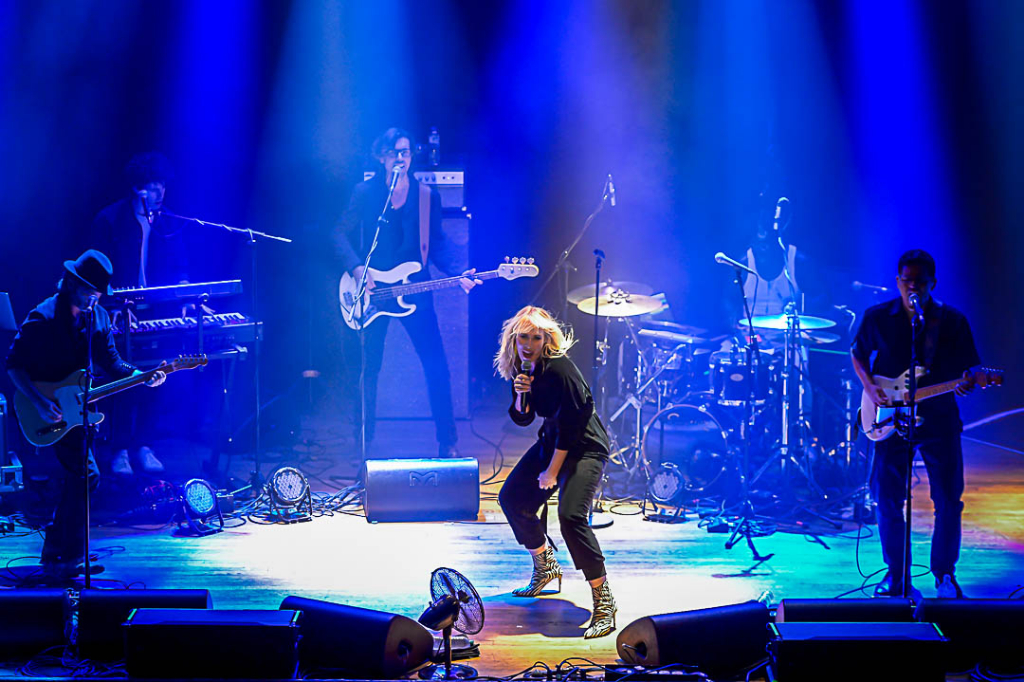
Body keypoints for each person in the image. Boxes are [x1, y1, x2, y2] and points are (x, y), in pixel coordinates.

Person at [5, 251, 165, 584]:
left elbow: (113, 362)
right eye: (88, 292)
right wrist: (39, 402)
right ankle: (60, 554)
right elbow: (14, 366)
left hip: (77, 410)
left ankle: (65, 555)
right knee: (87, 476)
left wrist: (142, 375)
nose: (93, 299)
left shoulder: (99, 317)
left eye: (98, 294)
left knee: (84, 478)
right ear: (71, 284)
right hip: (47, 409)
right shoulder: (44, 317)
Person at [334, 127, 481, 458]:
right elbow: (338, 233)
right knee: (368, 369)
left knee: (435, 364)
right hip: (371, 291)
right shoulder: (366, 192)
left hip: (415, 289)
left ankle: (448, 442)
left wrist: (458, 273)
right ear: (381, 157)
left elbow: (437, 244)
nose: (400, 159)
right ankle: (363, 443)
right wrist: (357, 269)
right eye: (393, 153)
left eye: (405, 152)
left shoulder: (427, 196)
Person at [851, 249, 980, 599]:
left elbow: (969, 368)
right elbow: (857, 353)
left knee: (948, 498)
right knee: (887, 498)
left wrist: (966, 382)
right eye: (906, 281)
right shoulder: (878, 316)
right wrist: (871, 388)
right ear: (898, 281)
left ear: (932, 283)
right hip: (892, 418)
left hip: (939, 417)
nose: (913, 288)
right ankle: (896, 574)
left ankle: (945, 574)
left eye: (920, 282)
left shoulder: (952, 321)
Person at [495, 306, 616, 639]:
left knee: (571, 516)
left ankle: (604, 600)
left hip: (584, 446)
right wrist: (521, 395)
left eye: (536, 338)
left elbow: (571, 426)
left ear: (546, 339)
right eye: (523, 337)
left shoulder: (560, 369)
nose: (529, 344)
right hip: (554, 441)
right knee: (512, 499)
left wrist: (551, 472)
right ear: (513, 339)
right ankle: (545, 565)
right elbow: (523, 418)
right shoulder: (523, 367)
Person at [89, 151, 189, 475]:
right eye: (154, 186)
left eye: (163, 185)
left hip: (157, 312)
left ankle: (145, 445)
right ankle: (119, 450)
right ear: (137, 188)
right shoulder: (109, 220)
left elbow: (180, 269)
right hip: (119, 314)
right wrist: (114, 305)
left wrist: (186, 296)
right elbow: (95, 272)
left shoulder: (169, 222)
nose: (161, 192)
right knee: (124, 380)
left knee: (158, 375)